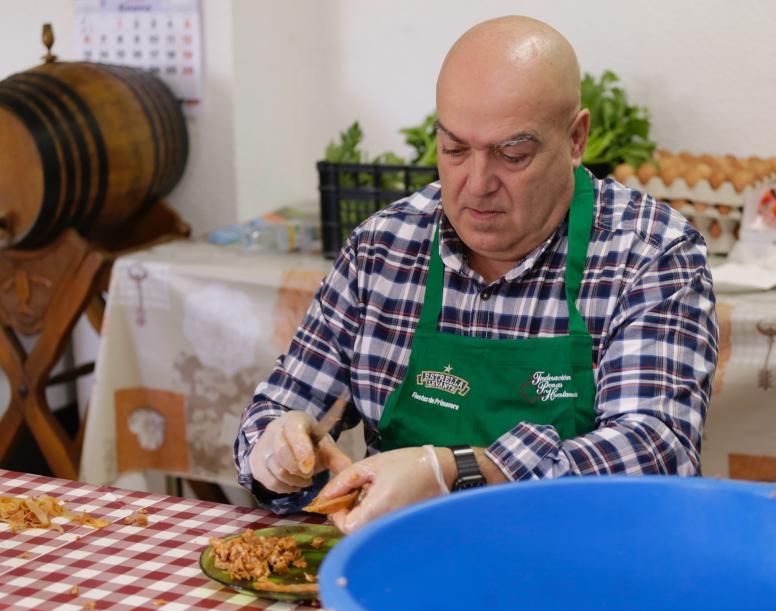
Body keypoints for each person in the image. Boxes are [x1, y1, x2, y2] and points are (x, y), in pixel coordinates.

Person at [235, 15, 719, 534]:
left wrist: (453, 471)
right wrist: (278, 448)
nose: (478, 183)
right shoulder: (384, 248)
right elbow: (277, 412)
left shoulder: (649, 254)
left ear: (576, 139)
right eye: (454, 151)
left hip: (587, 570)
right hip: (409, 567)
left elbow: (655, 455)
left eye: (513, 154)